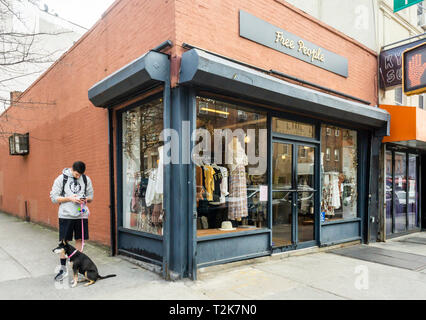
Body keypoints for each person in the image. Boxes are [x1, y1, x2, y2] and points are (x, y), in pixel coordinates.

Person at [50, 161, 94, 281]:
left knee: (79, 240)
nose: (78, 177)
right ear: (72, 169)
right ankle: (63, 270)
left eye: (80, 175)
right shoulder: (61, 178)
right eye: (76, 175)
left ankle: (79, 268)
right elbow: (54, 198)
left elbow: (91, 196)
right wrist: (69, 198)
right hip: (66, 216)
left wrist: (85, 199)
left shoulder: (85, 179)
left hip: (81, 215)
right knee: (64, 243)